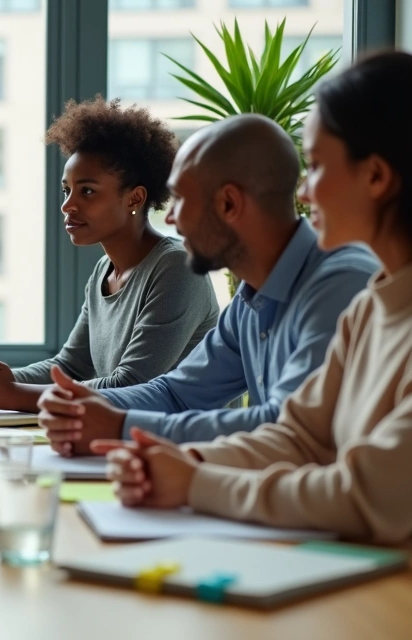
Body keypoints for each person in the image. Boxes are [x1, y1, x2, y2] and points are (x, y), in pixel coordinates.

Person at [95, 51, 412, 542]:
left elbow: (368, 495)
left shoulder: (351, 290)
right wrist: (178, 461)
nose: (303, 193)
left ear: (375, 176)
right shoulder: (373, 308)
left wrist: (196, 482)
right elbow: (298, 435)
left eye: (319, 167)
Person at [36, 113, 379, 456]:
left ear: (229, 203)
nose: (170, 218)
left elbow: (284, 424)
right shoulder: (248, 303)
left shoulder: (341, 285)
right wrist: (82, 405)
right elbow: (177, 393)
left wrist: (119, 425)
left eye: (181, 200)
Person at [0, 98, 218, 413]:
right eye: (66, 190)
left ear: (134, 198)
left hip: (186, 449)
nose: (68, 205)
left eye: (87, 191)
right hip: (128, 444)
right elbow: (71, 365)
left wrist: (12, 394)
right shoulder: (103, 271)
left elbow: (130, 384)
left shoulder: (177, 267)